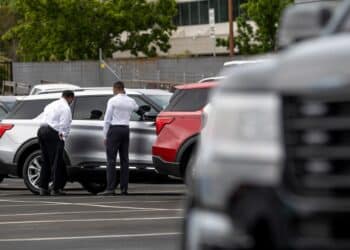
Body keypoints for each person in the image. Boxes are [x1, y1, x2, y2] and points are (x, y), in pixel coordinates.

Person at [100, 81, 138, 196]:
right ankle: (124, 188)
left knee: (111, 160)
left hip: (114, 129)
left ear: (115, 89)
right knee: (124, 160)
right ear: (123, 88)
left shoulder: (113, 100)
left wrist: (105, 135)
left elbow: (107, 119)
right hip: (125, 129)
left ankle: (110, 188)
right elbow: (137, 108)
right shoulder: (131, 101)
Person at [37, 90, 75, 196]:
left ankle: (43, 187)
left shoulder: (51, 104)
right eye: (72, 100)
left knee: (46, 160)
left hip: (41, 131)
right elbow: (65, 125)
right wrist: (63, 137)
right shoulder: (66, 108)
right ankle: (56, 188)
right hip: (52, 133)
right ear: (70, 98)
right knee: (56, 161)